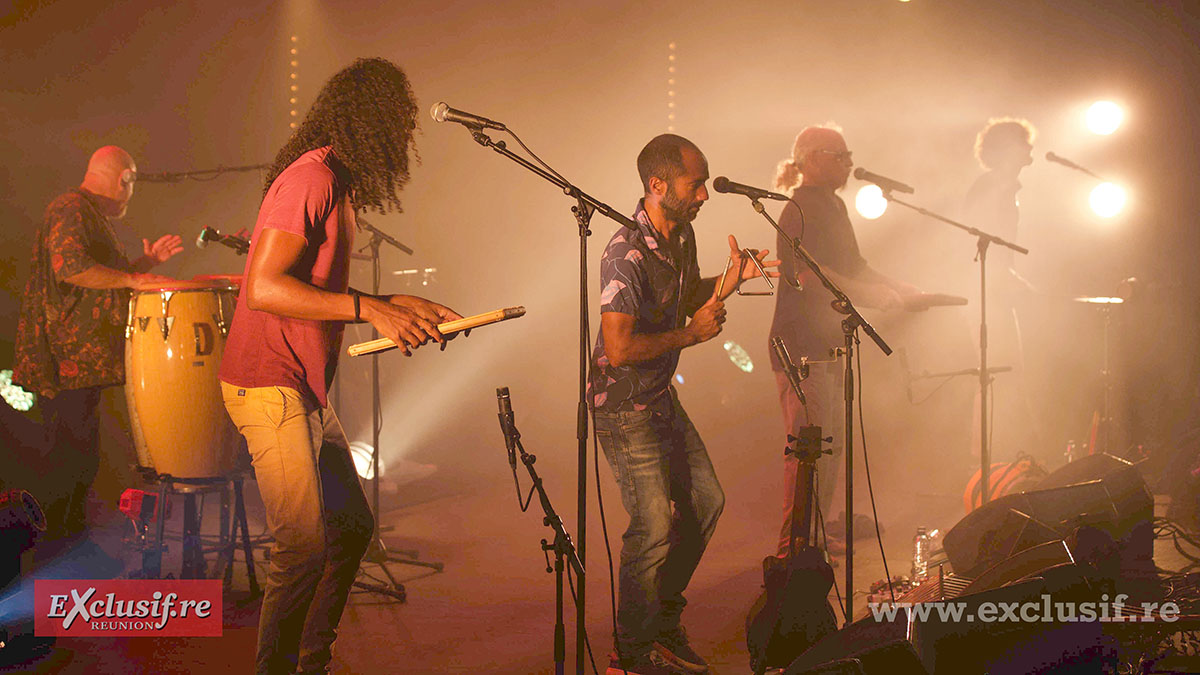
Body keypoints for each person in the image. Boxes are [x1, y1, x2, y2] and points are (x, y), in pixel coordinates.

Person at [217, 58, 463, 675]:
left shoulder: (339, 181)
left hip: (301, 386)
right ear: (372, 119)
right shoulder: (312, 178)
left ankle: (311, 661)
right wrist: (371, 309)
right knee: (301, 547)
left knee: (350, 527)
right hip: (267, 382)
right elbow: (264, 288)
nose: (405, 135)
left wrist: (397, 305)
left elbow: (315, 285)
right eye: (399, 121)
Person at [592, 133, 777, 675]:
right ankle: (631, 653)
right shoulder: (623, 253)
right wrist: (692, 337)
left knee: (705, 502)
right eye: (695, 184)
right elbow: (620, 348)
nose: (704, 195)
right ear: (657, 185)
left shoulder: (682, 236)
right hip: (624, 406)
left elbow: (685, 296)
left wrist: (731, 280)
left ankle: (662, 625)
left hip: (658, 398)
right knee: (650, 525)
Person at [12, 145, 182, 543]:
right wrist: (134, 280)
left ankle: (69, 544)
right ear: (125, 179)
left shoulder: (84, 212)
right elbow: (71, 268)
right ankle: (56, 550)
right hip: (67, 362)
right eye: (132, 184)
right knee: (68, 461)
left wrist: (143, 266)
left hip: (82, 367)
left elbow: (101, 278)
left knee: (81, 459)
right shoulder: (70, 207)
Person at [767, 125, 918, 558]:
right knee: (808, 450)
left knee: (827, 448)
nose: (849, 163)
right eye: (840, 154)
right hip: (799, 346)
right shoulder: (798, 207)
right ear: (810, 158)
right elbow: (805, 273)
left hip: (828, 343)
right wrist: (869, 294)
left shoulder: (833, 204)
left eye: (849, 154)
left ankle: (811, 536)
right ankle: (792, 548)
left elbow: (856, 266)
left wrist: (904, 289)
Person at [962, 117, 1040, 463]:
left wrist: (1011, 277)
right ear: (1009, 149)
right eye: (1024, 142)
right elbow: (976, 249)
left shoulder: (1006, 189)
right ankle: (990, 467)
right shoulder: (990, 188)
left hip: (996, 294)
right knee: (995, 378)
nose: (1031, 149)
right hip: (985, 297)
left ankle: (1006, 461)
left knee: (1005, 378)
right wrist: (1003, 278)